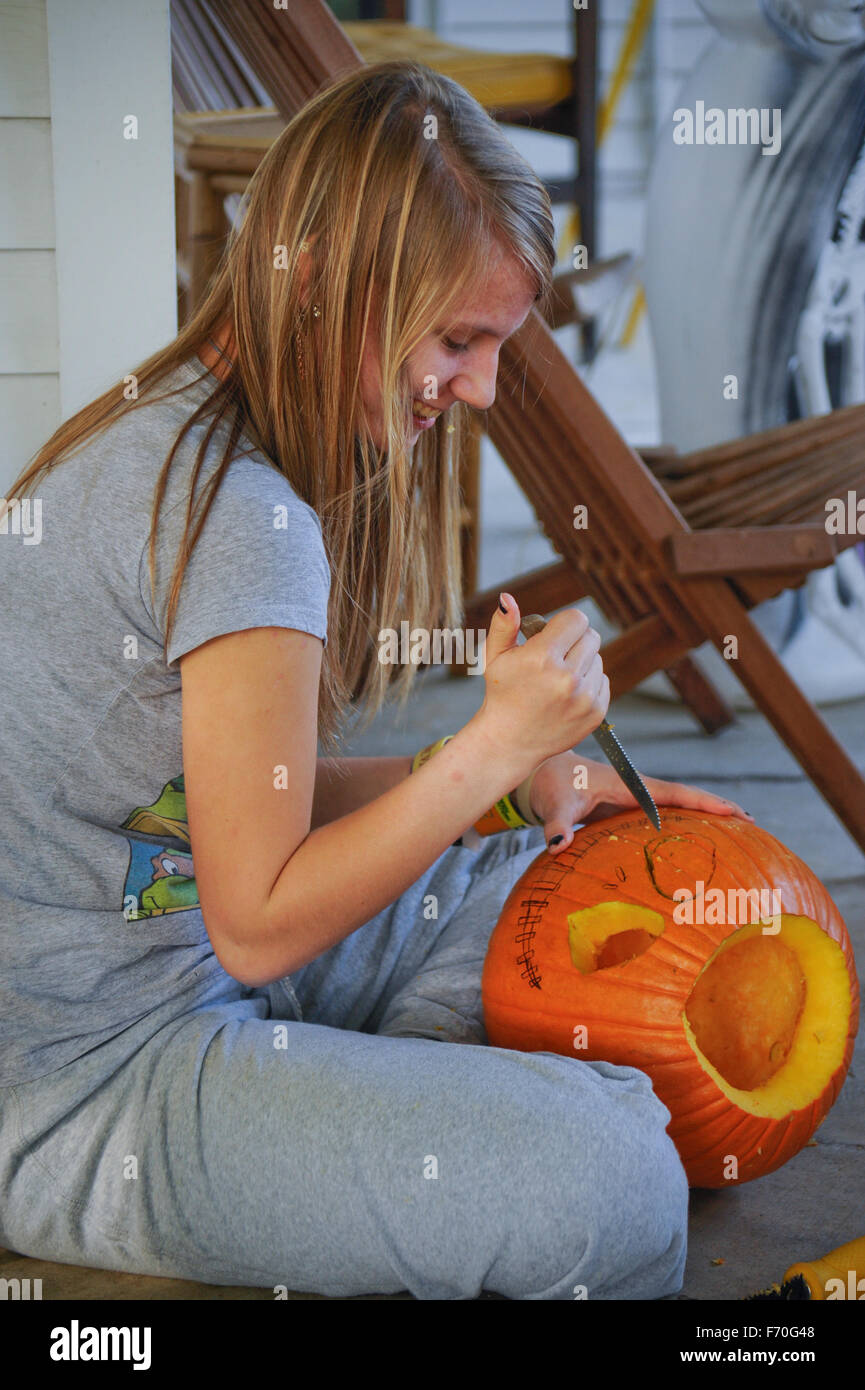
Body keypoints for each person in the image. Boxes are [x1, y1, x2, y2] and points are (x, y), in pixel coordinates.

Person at [0, 61, 748, 1301]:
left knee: (527, 869)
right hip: (90, 1084)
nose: (484, 390)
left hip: (192, 960)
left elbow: (243, 806)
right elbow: (258, 917)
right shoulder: (240, 522)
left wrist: (519, 788)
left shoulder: (187, 427)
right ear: (342, 289)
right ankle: (388, 1144)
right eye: (460, 340)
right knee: (615, 1171)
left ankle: (372, 1139)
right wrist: (491, 749)